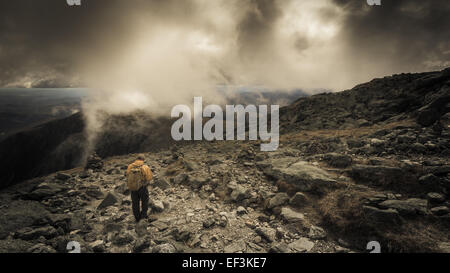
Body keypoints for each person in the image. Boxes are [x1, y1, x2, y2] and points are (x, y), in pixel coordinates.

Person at [126, 154, 153, 222]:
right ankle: (143, 216)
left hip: (133, 187)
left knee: (135, 203)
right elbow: (149, 177)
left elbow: (127, 175)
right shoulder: (145, 167)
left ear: (136, 159)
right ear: (143, 160)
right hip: (142, 187)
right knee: (144, 201)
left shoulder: (130, 166)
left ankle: (137, 217)